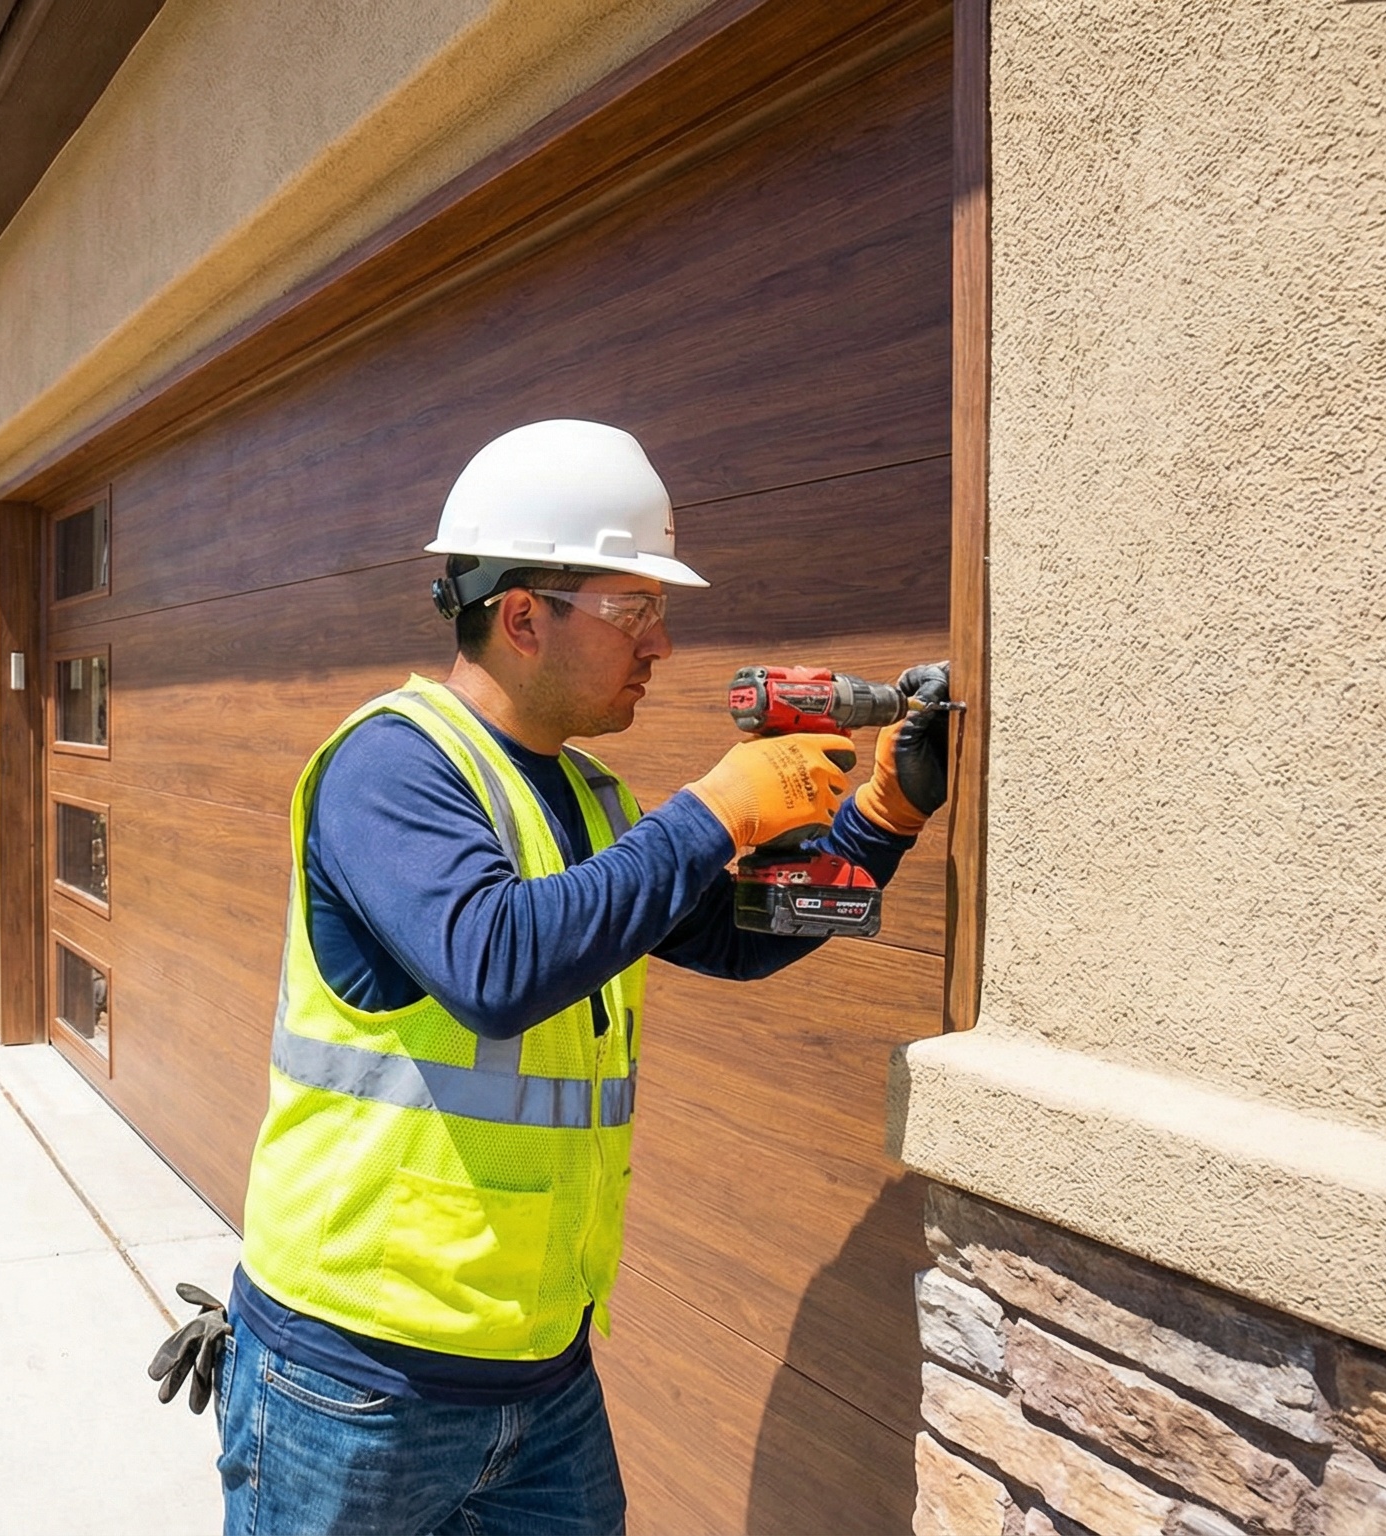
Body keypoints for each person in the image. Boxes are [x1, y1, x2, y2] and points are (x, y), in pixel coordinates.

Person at [147, 419, 953, 1536]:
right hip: (355, 1379)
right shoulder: (391, 765)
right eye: (636, 610)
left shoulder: (590, 798)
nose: (660, 643)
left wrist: (883, 814)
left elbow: (735, 940)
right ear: (523, 617)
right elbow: (494, 964)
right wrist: (716, 812)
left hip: (542, 1370)